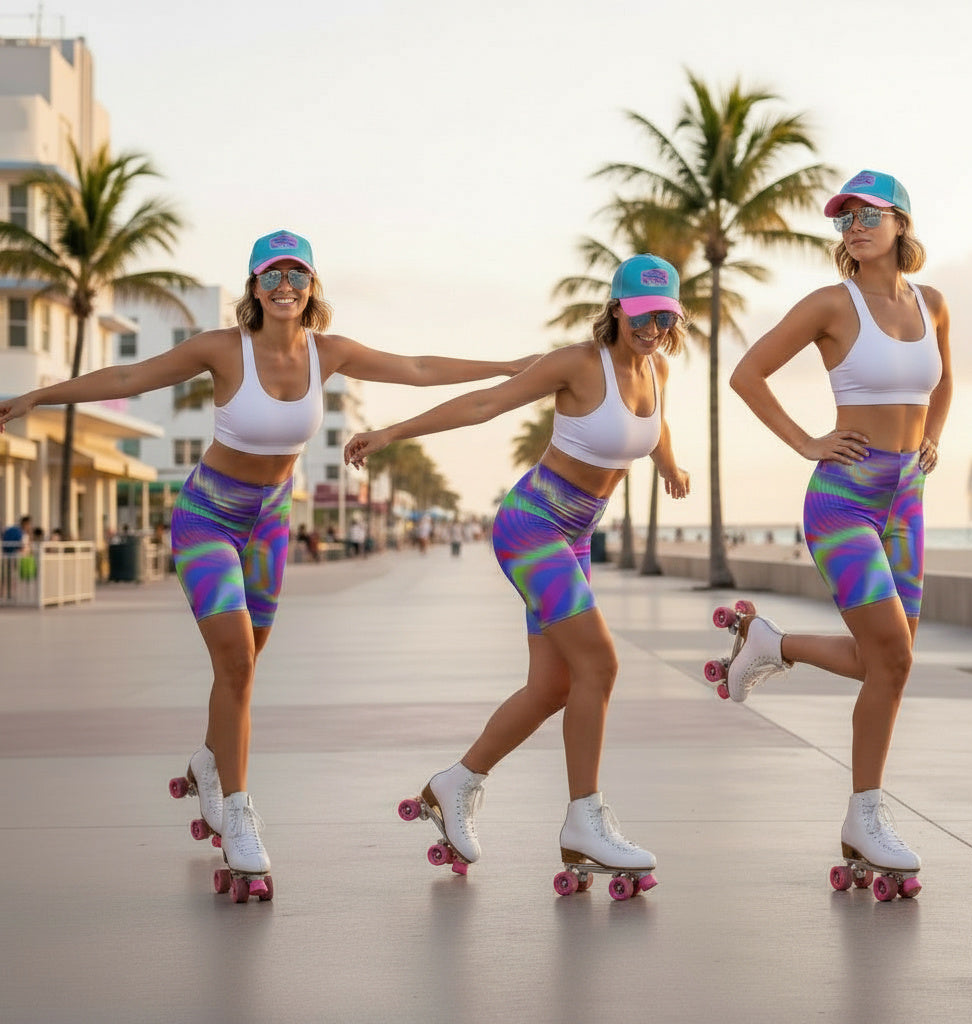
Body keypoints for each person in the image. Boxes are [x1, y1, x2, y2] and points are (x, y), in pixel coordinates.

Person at [0, 228, 536, 893]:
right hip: (207, 520)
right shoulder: (223, 349)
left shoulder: (328, 353)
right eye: (271, 276)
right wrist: (38, 395)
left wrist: (511, 368)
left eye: (297, 276)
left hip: (270, 526)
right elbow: (131, 376)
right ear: (254, 287)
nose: (285, 287)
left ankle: (208, 762)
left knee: (245, 669)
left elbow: (418, 367)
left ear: (313, 287)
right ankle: (240, 810)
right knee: (235, 661)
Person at [345, 253, 691, 887]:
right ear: (615, 309)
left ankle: (455, 784)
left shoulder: (658, 367)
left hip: (575, 536)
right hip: (532, 526)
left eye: (664, 317)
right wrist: (391, 432)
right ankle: (585, 821)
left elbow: (655, 423)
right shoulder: (577, 364)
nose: (652, 328)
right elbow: (484, 405)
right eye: (642, 316)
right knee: (601, 665)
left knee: (555, 686)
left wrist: (668, 464)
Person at [728, 170, 952, 881]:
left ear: (901, 224)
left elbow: (941, 379)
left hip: (906, 501)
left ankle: (771, 642)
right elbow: (747, 373)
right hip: (844, 503)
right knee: (894, 657)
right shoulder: (831, 303)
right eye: (843, 217)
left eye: (866, 214)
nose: (852, 225)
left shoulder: (933, 303)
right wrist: (805, 441)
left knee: (888, 662)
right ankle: (866, 812)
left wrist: (934, 436)